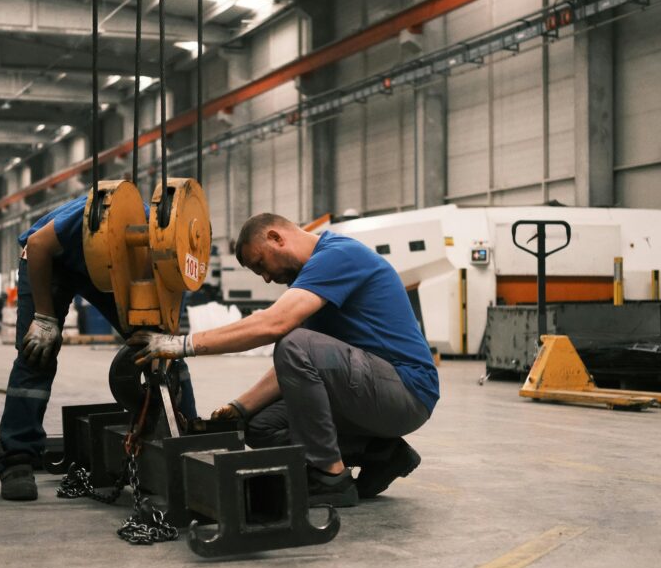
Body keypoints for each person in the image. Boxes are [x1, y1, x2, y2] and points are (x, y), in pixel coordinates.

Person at [130, 213, 439, 507]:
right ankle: (380, 453)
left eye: (261, 264)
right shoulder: (312, 281)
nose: (266, 278)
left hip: (407, 391)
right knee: (259, 426)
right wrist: (239, 409)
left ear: (276, 237)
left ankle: (329, 478)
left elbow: (275, 326)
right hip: (369, 393)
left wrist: (182, 344)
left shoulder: (338, 256)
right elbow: (297, 367)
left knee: (292, 342)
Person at [0, 194, 196, 501]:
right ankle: (17, 460)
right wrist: (45, 318)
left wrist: (165, 344)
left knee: (164, 351)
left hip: (109, 272)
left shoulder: (174, 254)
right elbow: (37, 245)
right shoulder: (103, 212)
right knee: (38, 352)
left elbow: (168, 319)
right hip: (50, 260)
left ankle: (189, 434)